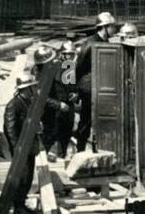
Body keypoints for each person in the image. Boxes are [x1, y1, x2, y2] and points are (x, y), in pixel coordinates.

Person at [74, 11, 119, 149]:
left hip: (102, 88)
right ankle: (80, 150)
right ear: (104, 27)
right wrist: (74, 90)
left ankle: (98, 148)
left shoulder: (105, 43)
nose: (115, 29)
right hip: (89, 89)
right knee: (86, 122)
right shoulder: (90, 44)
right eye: (112, 26)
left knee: (101, 122)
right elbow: (76, 67)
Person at [4, 72, 41, 214]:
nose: (32, 90)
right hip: (21, 147)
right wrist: (16, 148)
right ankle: (18, 209)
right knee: (22, 178)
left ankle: (22, 204)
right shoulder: (13, 104)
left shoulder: (28, 103)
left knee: (28, 178)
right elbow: (10, 128)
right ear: (25, 89)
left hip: (29, 146)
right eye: (31, 88)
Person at [43, 43, 77, 159]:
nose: (71, 58)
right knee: (49, 140)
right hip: (53, 113)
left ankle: (62, 159)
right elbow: (42, 96)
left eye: (73, 55)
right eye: (69, 55)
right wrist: (58, 105)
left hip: (68, 112)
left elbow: (73, 88)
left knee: (65, 140)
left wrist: (75, 95)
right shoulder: (51, 69)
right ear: (62, 55)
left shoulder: (70, 68)